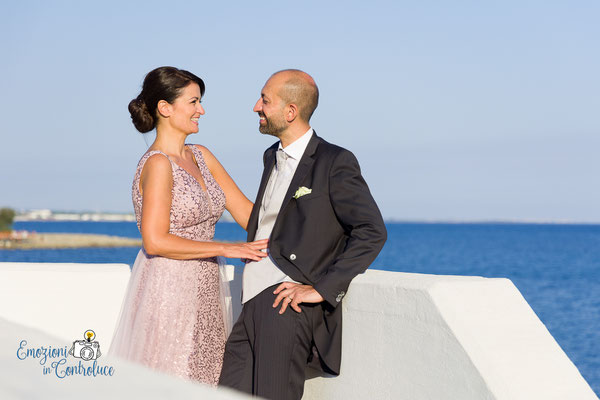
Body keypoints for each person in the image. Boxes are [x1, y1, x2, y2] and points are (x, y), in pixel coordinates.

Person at [219, 69, 387, 399]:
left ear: (291, 111)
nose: (257, 106)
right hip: (251, 300)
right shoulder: (271, 157)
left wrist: (322, 289)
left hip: (284, 304)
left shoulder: (334, 161)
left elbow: (371, 231)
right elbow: (272, 223)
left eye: (265, 100)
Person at [108, 66, 268, 385]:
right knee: (171, 378)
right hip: (169, 288)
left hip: (206, 288)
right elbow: (154, 241)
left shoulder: (201, 155)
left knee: (206, 380)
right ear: (165, 108)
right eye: (193, 102)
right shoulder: (157, 164)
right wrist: (227, 247)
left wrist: (309, 216)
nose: (201, 110)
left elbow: (251, 216)